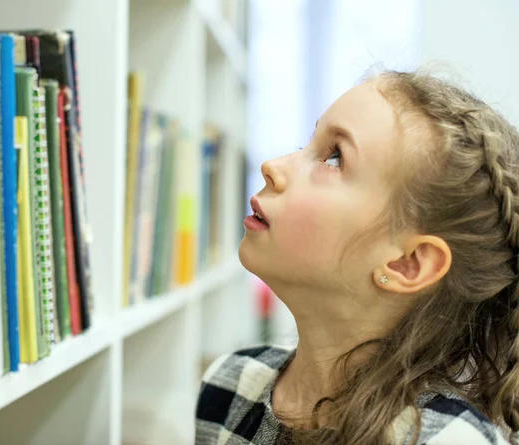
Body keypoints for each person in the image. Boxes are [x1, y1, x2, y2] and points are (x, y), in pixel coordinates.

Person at [195, 70, 519, 445]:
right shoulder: (229, 384)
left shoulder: (446, 438)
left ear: (407, 264)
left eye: (334, 159)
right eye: (307, 145)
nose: (273, 165)